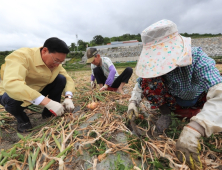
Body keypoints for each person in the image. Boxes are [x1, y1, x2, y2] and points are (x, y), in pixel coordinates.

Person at [127, 19, 222, 169]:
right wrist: (133, 103)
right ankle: (165, 114)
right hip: (174, 103)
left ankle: (197, 117)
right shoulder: (154, 70)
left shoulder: (197, 58)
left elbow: (219, 92)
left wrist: (197, 127)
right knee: (147, 81)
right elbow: (139, 84)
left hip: (199, 102)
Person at [0, 37, 75, 133]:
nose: (58, 65)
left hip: (36, 91)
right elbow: (12, 83)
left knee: (61, 79)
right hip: (9, 93)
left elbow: (67, 78)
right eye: (56, 60)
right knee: (11, 100)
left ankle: (49, 113)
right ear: (44, 51)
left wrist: (68, 97)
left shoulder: (56, 64)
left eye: (61, 62)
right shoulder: (21, 56)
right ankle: (23, 120)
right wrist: (47, 102)